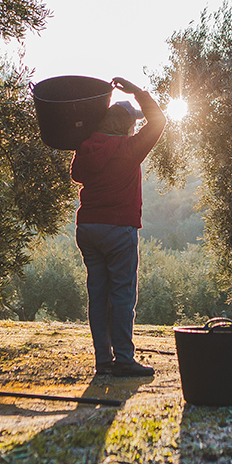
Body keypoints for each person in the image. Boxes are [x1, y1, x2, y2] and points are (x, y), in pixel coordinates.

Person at [70, 77, 167, 377]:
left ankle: (103, 361)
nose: (136, 129)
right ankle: (124, 358)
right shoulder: (130, 148)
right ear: (127, 126)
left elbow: (76, 175)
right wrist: (137, 92)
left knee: (98, 294)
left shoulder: (86, 147)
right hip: (119, 230)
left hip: (88, 229)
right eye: (133, 125)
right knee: (122, 294)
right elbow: (159, 120)